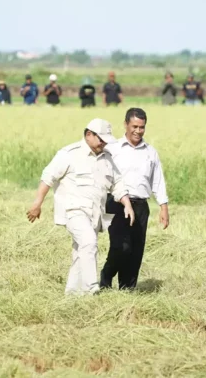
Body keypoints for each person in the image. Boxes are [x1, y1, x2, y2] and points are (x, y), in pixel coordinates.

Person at [26, 119, 135, 296]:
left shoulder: (107, 158)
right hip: (73, 211)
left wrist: (127, 204)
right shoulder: (69, 154)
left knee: (80, 252)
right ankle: (91, 288)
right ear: (88, 135)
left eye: (106, 140)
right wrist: (37, 204)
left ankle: (72, 294)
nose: (103, 143)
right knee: (89, 243)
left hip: (95, 215)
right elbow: (48, 177)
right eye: (100, 139)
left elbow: (117, 184)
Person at [100, 108, 169, 291]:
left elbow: (158, 180)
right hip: (116, 204)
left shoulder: (150, 152)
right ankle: (105, 278)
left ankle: (127, 290)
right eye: (135, 126)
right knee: (120, 247)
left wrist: (163, 207)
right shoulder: (112, 149)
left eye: (142, 127)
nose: (138, 131)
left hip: (140, 206)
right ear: (125, 125)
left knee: (136, 250)